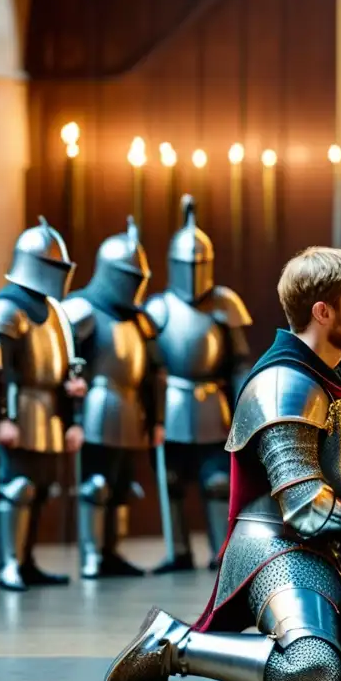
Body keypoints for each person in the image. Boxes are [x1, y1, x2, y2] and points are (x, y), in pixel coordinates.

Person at [101, 246, 341, 681]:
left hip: (326, 546)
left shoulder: (338, 377)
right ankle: (175, 645)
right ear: (323, 312)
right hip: (279, 548)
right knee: (312, 671)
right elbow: (307, 511)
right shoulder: (286, 385)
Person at [144, 196, 252, 572]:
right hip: (171, 401)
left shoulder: (224, 304)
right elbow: (148, 366)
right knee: (170, 480)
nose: (192, 272)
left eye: (199, 264)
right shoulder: (157, 308)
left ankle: (222, 550)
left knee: (217, 481)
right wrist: (151, 415)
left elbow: (239, 363)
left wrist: (243, 406)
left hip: (211, 401)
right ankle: (178, 550)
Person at [0, 217, 86, 591]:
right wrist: (4, 416)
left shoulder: (56, 312)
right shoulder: (6, 309)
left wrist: (72, 415)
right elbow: (2, 370)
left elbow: (67, 370)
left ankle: (26, 560)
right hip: (20, 408)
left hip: (47, 413)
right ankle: (7, 564)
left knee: (40, 489)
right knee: (17, 488)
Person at [62, 217, 166, 578]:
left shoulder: (139, 319)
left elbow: (152, 374)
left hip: (129, 407)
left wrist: (155, 419)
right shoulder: (82, 309)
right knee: (97, 484)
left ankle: (111, 552)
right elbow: (67, 366)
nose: (132, 286)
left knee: (121, 486)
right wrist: (71, 414)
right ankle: (93, 555)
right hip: (96, 405)